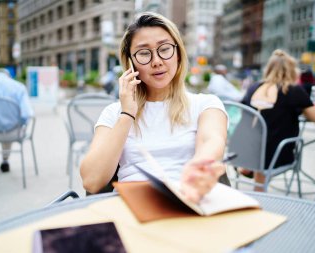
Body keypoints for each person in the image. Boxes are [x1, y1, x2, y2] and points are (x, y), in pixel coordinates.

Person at [80, 12, 229, 203]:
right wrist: (127, 114)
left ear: (178, 54)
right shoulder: (114, 113)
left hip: (186, 201)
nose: (157, 60)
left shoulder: (206, 105)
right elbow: (92, 181)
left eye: (164, 49)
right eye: (144, 53)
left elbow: (212, 143)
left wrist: (199, 168)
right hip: (130, 208)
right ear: (130, 62)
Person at [241, 49, 315, 191]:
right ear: (291, 70)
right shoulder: (293, 91)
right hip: (277, 155)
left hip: (244, 152)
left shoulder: (253, 88)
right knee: (269, 145)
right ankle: (258, 185)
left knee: (261, 142)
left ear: (268, 69)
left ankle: (249, 169)